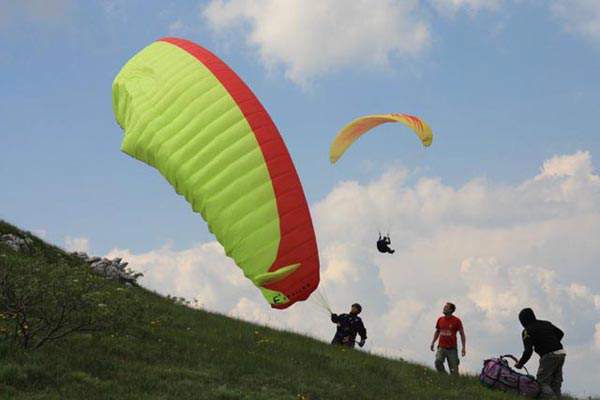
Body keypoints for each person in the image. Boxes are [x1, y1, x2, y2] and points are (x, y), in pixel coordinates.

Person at [514, 308, 566, 398]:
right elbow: (560, 333)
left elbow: (528, 351)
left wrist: (520, 364)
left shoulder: (527, 331)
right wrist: (552, 343)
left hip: (549, 356)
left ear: (523, 321)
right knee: (556, 383)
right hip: (561, 353)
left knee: (542, 382)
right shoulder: (545, 323)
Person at [430, 302, 466, 375]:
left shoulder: (457, 321)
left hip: (452, 349)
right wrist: (433, 342)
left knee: (454, 372)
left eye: (446, 307)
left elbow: (462, 334)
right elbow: (437, 331)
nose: (444, 308)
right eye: (444, 307)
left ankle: (453, 381)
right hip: (441, 347)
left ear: (451, 310)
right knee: (438, 362)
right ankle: (444, 376)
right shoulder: (440, 319)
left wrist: (463, 347)